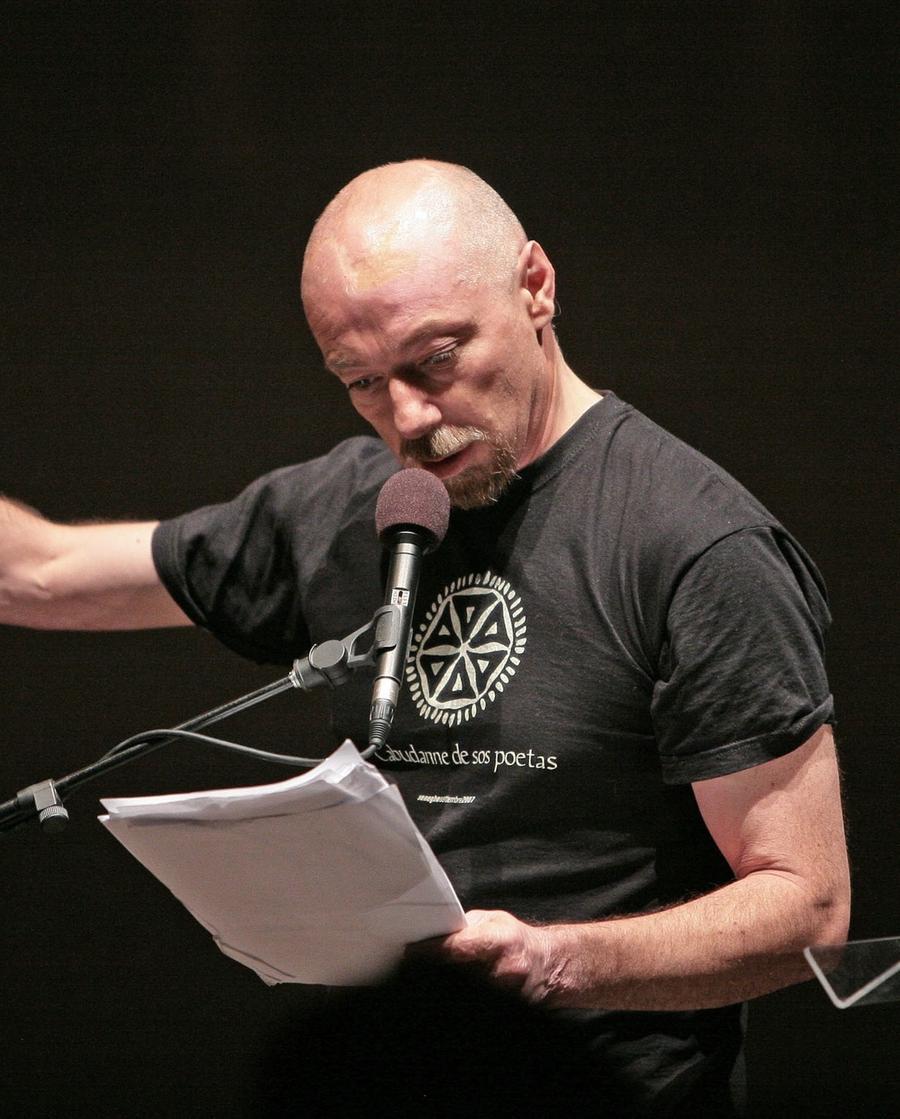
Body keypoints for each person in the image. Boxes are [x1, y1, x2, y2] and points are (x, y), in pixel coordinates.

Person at [0, 160, 849, 1116]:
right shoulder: (344, 508)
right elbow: (40, 572)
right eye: (362, 381)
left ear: (536, 287)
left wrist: (556, 959)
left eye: (436, 359)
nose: (407, 418)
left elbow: (806, 905)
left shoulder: (695, 543)